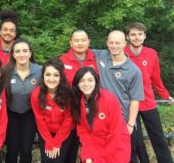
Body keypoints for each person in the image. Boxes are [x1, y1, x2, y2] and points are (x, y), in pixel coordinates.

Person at [124, 22, 174, 163]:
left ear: (144, 36)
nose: (136, 37)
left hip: (148, 103)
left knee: (158, 138)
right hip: (129, 105)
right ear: (127, 37)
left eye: (140, 34)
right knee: (136, 140)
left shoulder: (151, 53)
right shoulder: (121, 53)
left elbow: (156, 78)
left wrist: (165, 95)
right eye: (133, 34)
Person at [92, 30, 144, 163]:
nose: (114, 45)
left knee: (127, 157)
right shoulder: (101, 56)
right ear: (107, 43)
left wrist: (130, 125)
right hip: (102, 120)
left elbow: (135, 100)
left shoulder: (134, 70)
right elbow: (80, 49)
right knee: (104, 156)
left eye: (117, 42)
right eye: (111, 42)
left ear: (124, 44)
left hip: (123, 121)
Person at [71, 67, 131, 163]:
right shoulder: (78, 101)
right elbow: (84, 132)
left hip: (116, 146)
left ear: (96, 82)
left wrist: (104, 158)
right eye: (82, 81)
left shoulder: (109, 99)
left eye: (90, 80)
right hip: (94, 145)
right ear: (77, 84)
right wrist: (88, 155)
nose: (86, 84)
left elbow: (115, 133)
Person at [59, 29, 98, 162]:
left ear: (88, 42)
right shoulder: (62, 61)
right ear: (71, 43)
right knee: (69, 149)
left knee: (91, 148)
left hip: (92, 111)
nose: (80, 43)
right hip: (71, 112)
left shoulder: (98, 58)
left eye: (83, 40)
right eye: (76, 40)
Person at [1, 38, 42, 163]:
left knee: (26, 149)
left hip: (30, 114)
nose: (22, 54)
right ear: (13, 54)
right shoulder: (6, 71)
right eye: (18, 51)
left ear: (30, 53)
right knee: (12, 149)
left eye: (25, 51)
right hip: (11, 114)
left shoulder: (40, 71)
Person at [31, 58, 74, 163]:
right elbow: (40, 121)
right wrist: (50, 142)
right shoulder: (36, 94)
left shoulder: (69, 94)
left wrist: (57, 142)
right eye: (48, 74)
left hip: (65, 132)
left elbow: (69, 120)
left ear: (61, 77)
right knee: (47, 160)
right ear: (43, 76)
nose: (51, 79)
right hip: (46, 132)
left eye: (56, 75)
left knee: (58, 160)